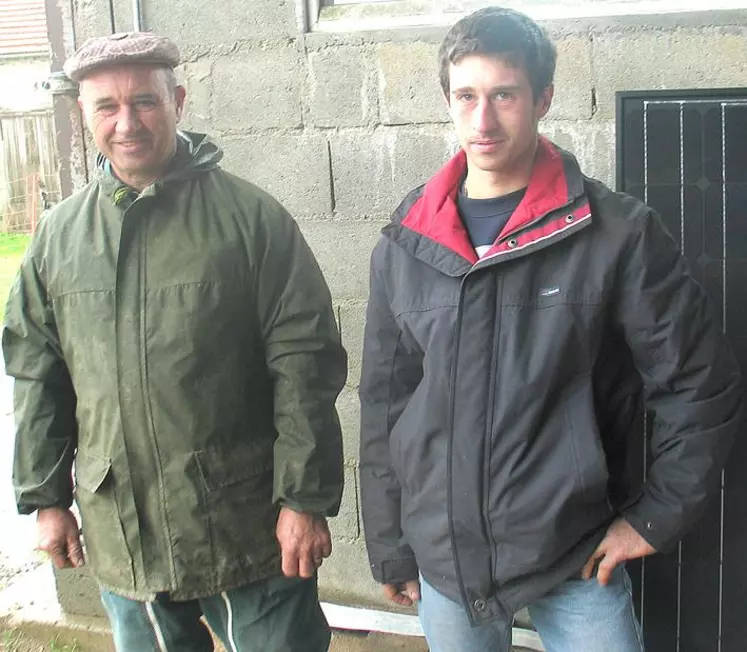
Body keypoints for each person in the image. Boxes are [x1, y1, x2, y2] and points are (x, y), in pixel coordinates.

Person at [358, 7, 744, 651]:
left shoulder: (617, 233)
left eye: (504, 95)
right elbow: (385, 403)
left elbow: (701, 385)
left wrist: (652, 519)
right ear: (447, 100)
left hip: (576, 554)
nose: (482, 121)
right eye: (466, 97)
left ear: (543, 99)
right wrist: (392, 542)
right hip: (446, 559)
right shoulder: (407, 242)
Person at [3, 31, 347, 652]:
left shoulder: (251, 220)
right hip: (124, 532)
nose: (126, 122)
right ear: (84, 114)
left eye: (145, 102)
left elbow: (305, 366)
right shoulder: (58, 238)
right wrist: (45, 499)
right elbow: (37, 375)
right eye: (106, 106)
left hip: (247, 527)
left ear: (179, 100)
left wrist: (303, 498)